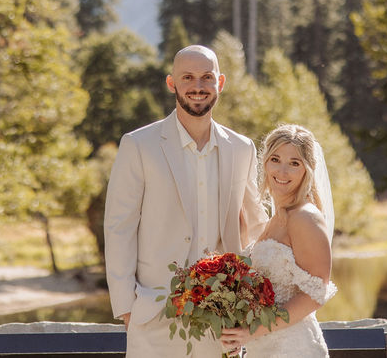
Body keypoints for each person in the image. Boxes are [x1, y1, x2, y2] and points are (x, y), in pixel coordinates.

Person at [104, 45, 268, 358]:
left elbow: (256, 226)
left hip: (224, 320)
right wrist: (127, 310)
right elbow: (119, 228)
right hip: (154, 318)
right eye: (188, 77)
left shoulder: (242, 148)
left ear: (220, 83)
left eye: (206, 77)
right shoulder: (138, 145)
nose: (197, 86)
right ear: (172, 84)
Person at [220, 124, 337, 357]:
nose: (282, 172)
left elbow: (315, 295)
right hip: (263, 348)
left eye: (294, 163)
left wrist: (252, 332)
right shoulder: (278, 217)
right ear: (265, 162)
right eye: (275, 159)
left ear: (308, 169)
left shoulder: (305, 217)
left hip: (294, 348)